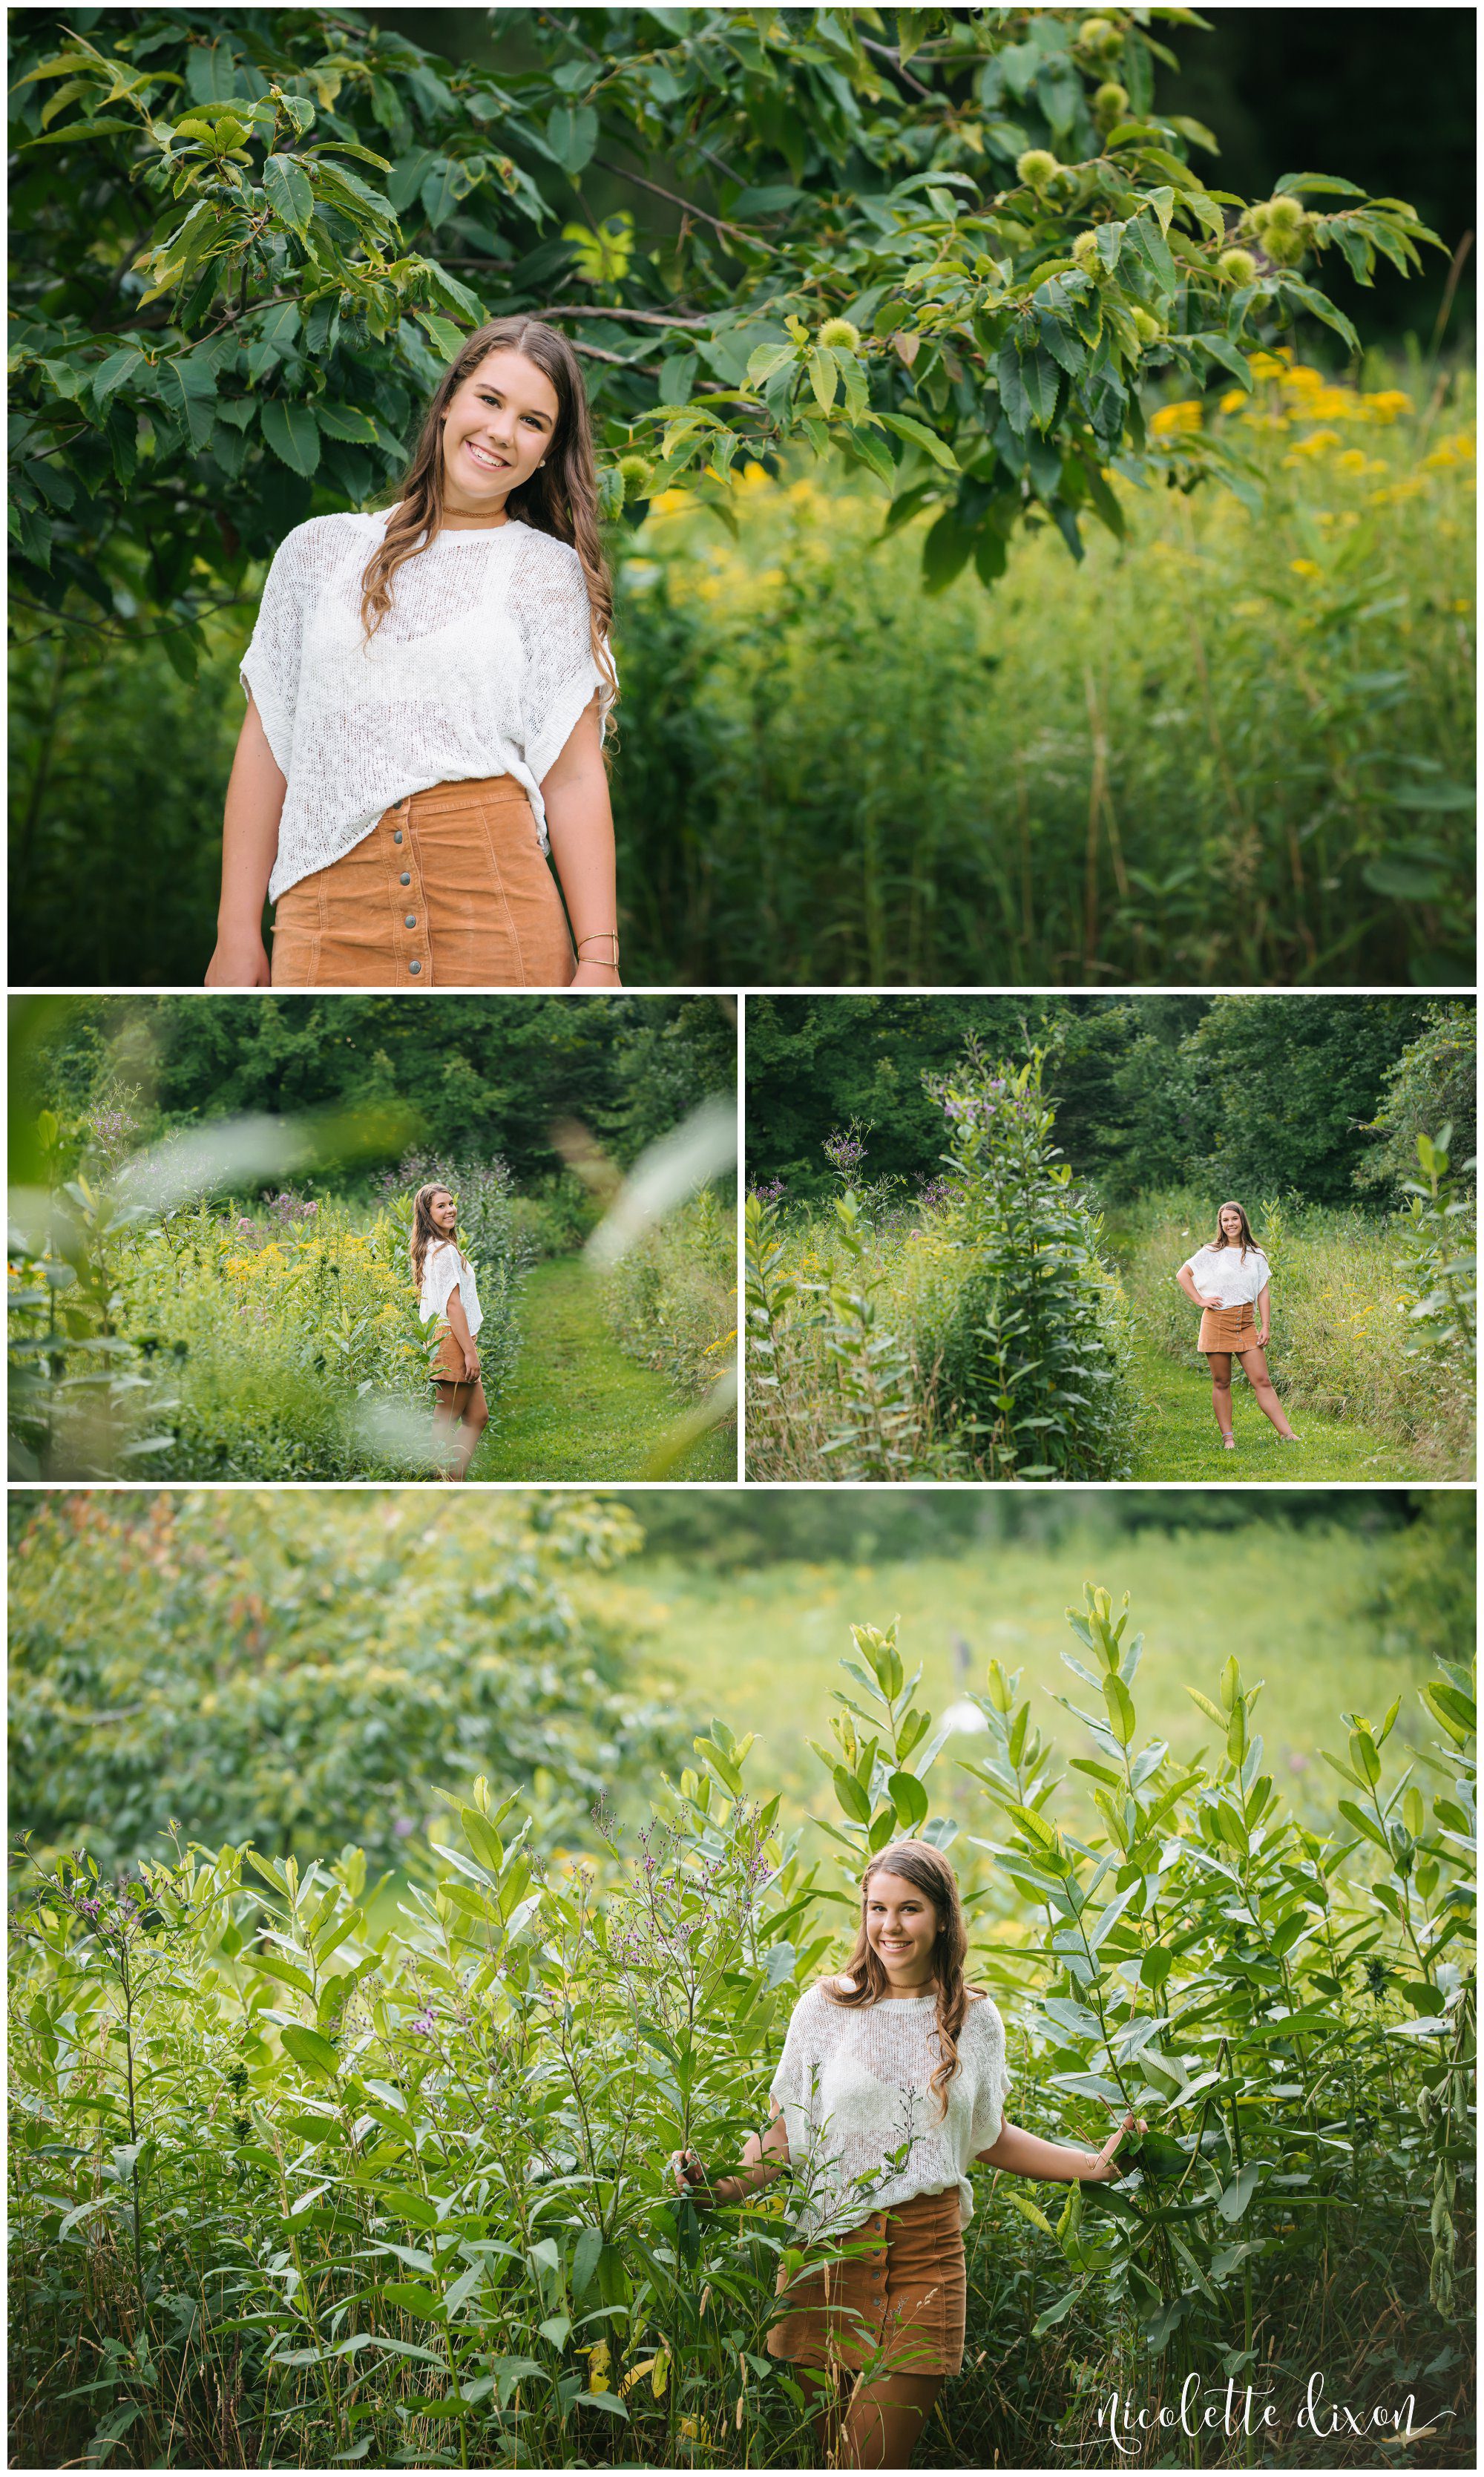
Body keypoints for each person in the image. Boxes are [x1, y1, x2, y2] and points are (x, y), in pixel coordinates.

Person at [670, 1841, 1143, 2472]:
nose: (890, 1926)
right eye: (878, 1908)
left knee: (863, 2465)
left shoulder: (975, 2018)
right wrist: (718, 2187)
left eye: (910, 1909)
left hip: (926, 2256)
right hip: (826, 2256)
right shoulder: (824, 2009)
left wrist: (1092, 2166)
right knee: (831, 2460)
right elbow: (789, 2133)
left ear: (943, 1917)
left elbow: (989, 2135)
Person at [206, 317, 620, 989]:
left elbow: (572, 777)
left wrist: (600, 959)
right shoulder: (318, 553)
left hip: (497, 910)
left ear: (548, 452)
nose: (501, 432)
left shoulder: (549, 575)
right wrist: (234, 934)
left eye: (532, 422)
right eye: (490, 400)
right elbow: (266, 748)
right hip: (326, 915)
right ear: (449, 400)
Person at [1176, 1201, 1299, 1451]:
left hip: (1246, 1323)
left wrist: (1265, 1325)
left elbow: (1263, 1291)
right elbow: (1183, 1274)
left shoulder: (1257, 1254)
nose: (1230, 1224)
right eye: (1225, 1220)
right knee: (1222, 1382)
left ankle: (1287, 1434)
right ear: (1220, 1224)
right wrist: (1200, 1300)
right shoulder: (1211, 1251)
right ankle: (1228, 1439)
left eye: (1234, 1218)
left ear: (1242, 1220)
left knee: (1262, 1380)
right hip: (1217, 1321)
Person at [410, 1183, 487, 1480]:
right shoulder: (442, 1252)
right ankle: (434, 1482)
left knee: (477, 1417)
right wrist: (470, 1353)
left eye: (451, 1203)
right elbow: (453, 1306)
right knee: (443, 1425)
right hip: (452, 1341)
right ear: (427, 1214)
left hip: (453, 1339)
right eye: (440, 1206)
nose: (450, 1210)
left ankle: (453, 1479)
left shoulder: (438, 1247)